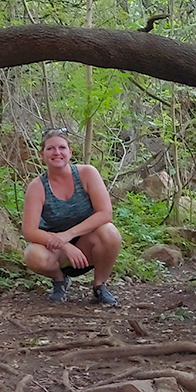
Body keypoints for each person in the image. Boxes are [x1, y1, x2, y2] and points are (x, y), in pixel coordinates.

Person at [21, 128, 122, 305]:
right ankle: (60, 281)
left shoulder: (87, 174)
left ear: (70, 152)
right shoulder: (37, 187)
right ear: (42, 154)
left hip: (88, 246)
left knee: (110, 232)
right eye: (50, 148)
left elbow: (105, 213)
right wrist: (64, 244)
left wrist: (69, 235)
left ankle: (100, 286)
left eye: (62, 147)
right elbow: (29, 231)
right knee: (32, 254)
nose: (57, 152)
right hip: (56, 251)